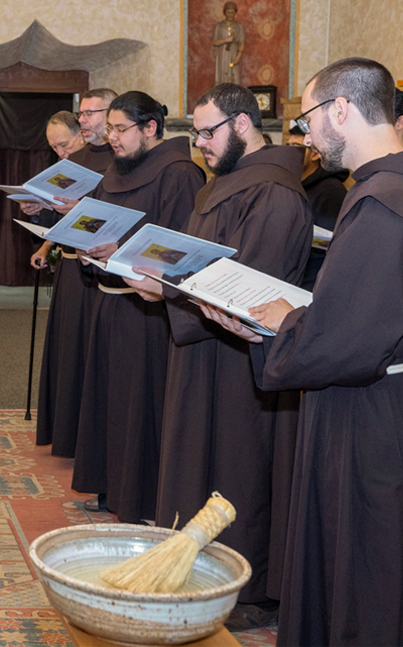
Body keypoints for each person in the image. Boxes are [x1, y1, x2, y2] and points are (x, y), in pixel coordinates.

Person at [202, 57, 403, 647]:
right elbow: (374, 308)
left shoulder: (384, 202)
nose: (304, 135)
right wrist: (293, 322)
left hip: (368, 413)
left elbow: (350, 336)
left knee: (369, 563)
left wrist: (276, 328)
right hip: (396, 396)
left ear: (341, 109)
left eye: (308, 119)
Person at [125, 83, 311, 629]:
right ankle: (193, 567)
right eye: (196, 132)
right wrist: (159, 276)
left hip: (244, 363)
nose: (199, 143)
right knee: (195, 456)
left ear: (244, 124)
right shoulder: (221, 185)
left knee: (239, 466)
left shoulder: (275, 193)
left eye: (208, 131)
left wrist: (170, 292)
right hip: (202, 350)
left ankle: (246, 587)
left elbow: (255, 290)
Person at [71, 91, 204, 520]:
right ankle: (113, 489)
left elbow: (180, 249)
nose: (111, 137)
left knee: (140, 406)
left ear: (150, 128)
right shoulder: (117, 169)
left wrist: (122, 250)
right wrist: (84, 245)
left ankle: (143, 499)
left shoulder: (179, 173)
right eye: (108, 128)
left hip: (147, 310)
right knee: (110, 402)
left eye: (120, 128)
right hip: (108, 302)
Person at [25, 92, 116, 457]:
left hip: (96, 269)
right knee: (67, 349)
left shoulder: (111, 161)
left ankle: (84, 434)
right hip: (68, 264)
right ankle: (64, 429)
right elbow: (57, 220)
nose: (61, 153)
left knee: (85, 351)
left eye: (64, 144)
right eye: (55, 148)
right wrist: (38, 210)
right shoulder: (71, 164)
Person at [289, 123, 347, 290]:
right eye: (288, 145)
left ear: (314, 153)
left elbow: (331, 249)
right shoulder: (296, 185)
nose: (288, 153)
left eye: (295, 147)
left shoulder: (331, 192)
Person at [212, 2, 245, 85]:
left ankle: (234, 97)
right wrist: (225, 40)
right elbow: (214, 42)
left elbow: (241, 42)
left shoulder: (239, 26)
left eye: (232, 12)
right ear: (224, 13)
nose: (230, 14)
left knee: (235, 76)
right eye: (228, 12)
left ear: (235, 12)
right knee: (222, 75)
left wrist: (237, 57)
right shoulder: (219, 26)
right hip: (222, 53)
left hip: (234, 53)